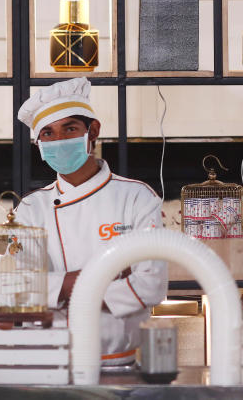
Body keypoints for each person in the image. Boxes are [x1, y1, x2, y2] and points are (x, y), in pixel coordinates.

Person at [14, 78, 167, 365]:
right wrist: (106, 277)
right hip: (49, 362)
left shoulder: (136, 197)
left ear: (92, 131)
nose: (59, 141)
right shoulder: (31, 208)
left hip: (120, 362)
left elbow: (151, 284)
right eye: (48, 133)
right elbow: (19, 289)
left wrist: (59, 287)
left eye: (69, 129)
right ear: (38, 144)